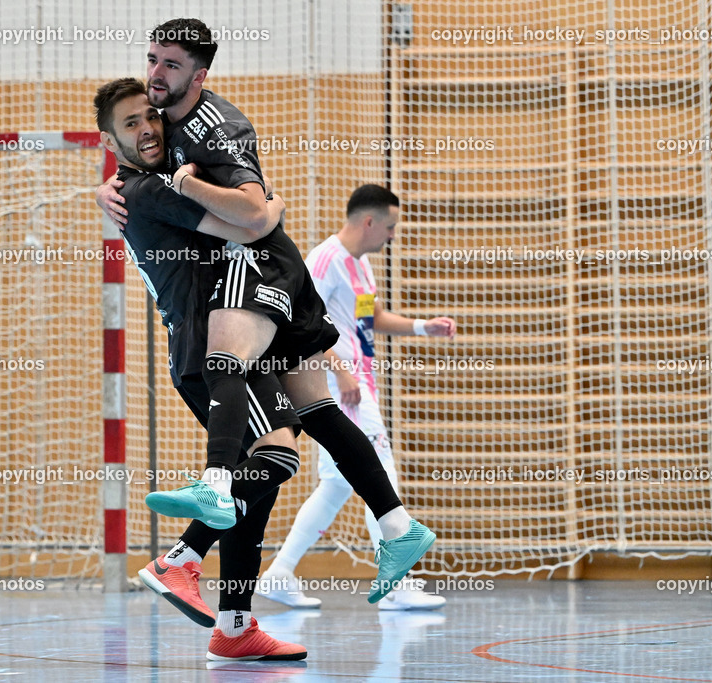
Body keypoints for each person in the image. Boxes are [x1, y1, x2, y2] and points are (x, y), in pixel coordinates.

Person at [97, 19, 437, 608]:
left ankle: (201, 538)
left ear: (198, 76)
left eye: (169, 66)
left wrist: (251, 204)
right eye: (152, 60)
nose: (155, 78)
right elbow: (247, 213)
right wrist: (116, 185)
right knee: (308, 426)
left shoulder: (208, 132)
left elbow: (253, 217)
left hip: (259, 274)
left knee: (273, 438)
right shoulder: (142, 180)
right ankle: (395, 528)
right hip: (258, 286)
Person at [94, 77, 306, 661]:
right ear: (110, 140)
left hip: (230, 331)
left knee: (253, 490)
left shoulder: (146, 180)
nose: (147, 129)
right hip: (209, 342)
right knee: (279, 455)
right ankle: (180, 559)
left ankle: (235, 628)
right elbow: (252, 224)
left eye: (150, 117)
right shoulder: (148, 189)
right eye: (131, 124)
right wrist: (274, 209)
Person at [258, 185, 456, 611]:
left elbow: (371, 318)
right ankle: (396, 583)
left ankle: (279, 573)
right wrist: (340, 370)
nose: (392, 235)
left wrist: (424, 327)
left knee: (336, 486)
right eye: (390, 227)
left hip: (358, 381)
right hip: (336, 384)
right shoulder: (324, 261)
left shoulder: (361, 266)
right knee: (379, 471)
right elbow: (298, 322)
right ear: (369, 222)